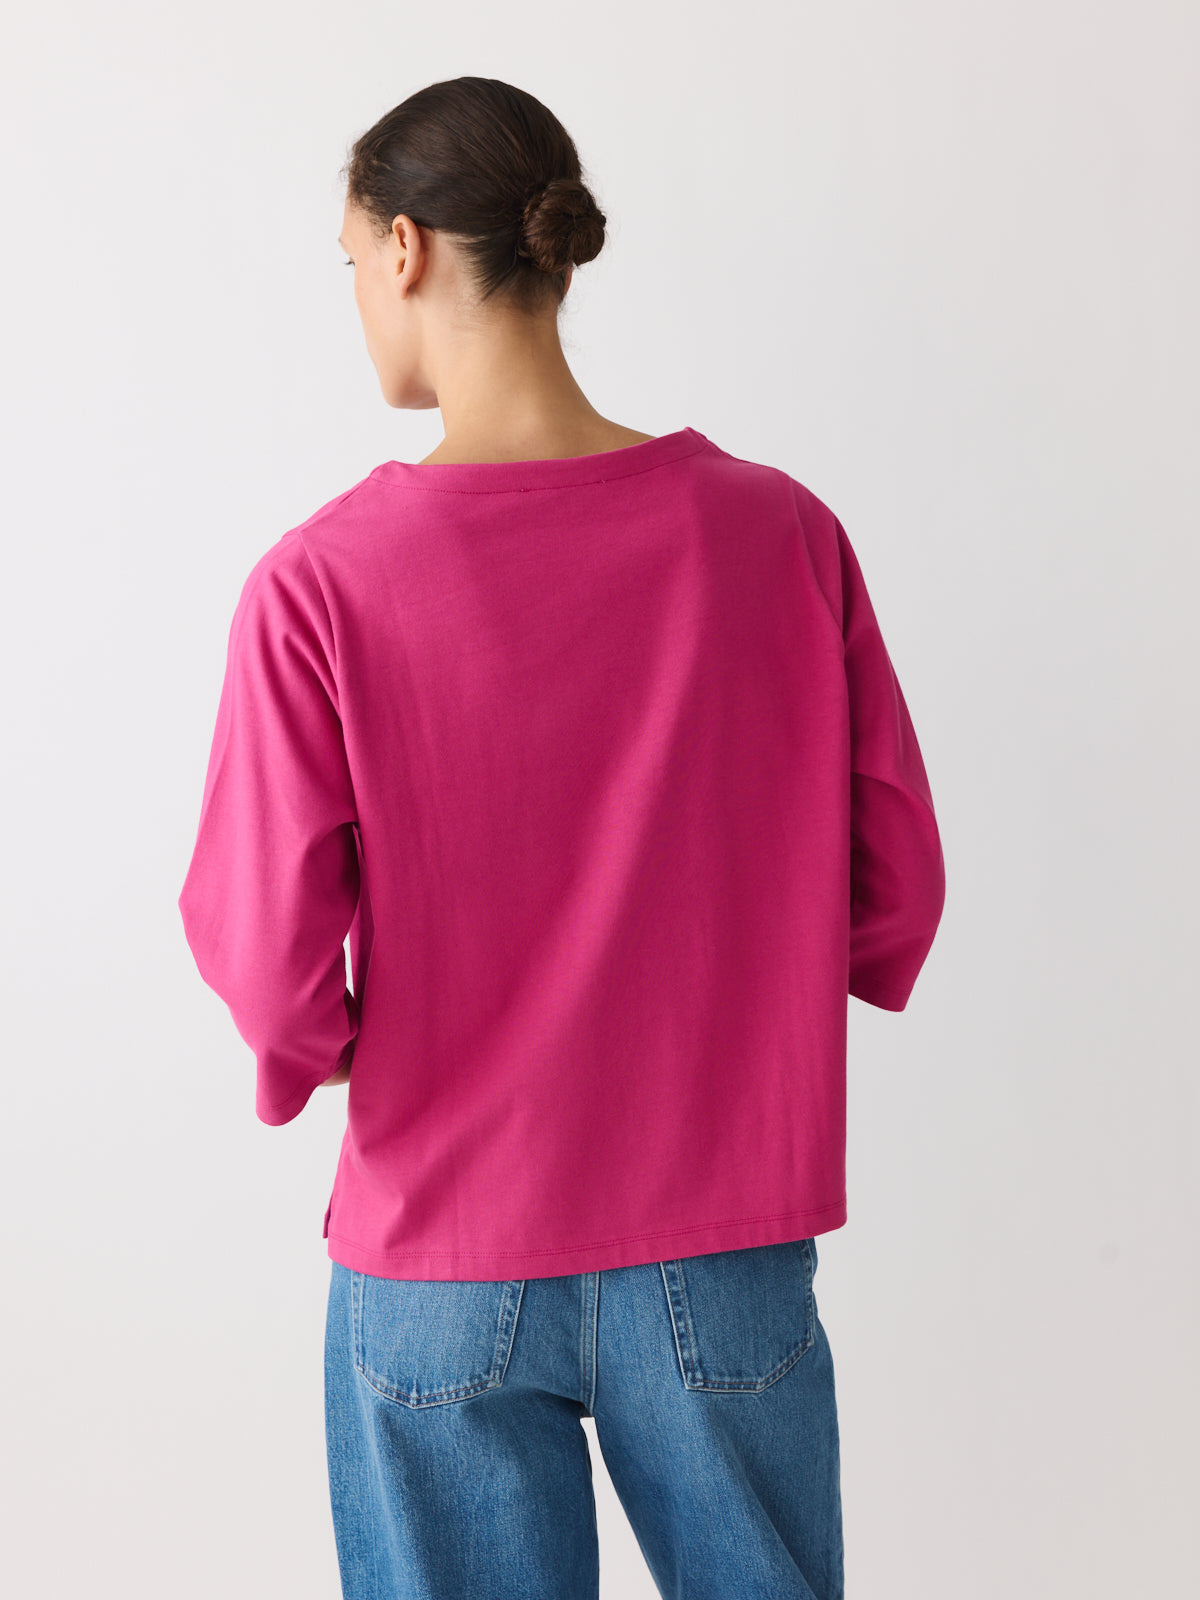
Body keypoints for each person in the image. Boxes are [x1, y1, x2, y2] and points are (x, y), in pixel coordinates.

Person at [177, 75, 945, 1600]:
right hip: (722, 1235)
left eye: (351, 261)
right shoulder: (782, 536)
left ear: (404, 250)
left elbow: (268, 965)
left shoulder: (319, 585)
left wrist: (328, 1053)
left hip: (441, 1240)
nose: (358, 295)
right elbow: (893, 890)